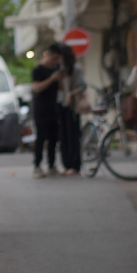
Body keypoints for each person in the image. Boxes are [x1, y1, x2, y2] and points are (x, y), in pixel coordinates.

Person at [29, 46, 65, 178]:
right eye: (54, 58)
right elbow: (37, 88)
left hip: (54, 107)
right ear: (47, 55)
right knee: (41, 138)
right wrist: (51, 79)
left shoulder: (56, 69)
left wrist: (60, 78)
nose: (55, 61)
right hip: (41, 109)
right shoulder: (38, 70)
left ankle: (52, 165)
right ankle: (37, 165)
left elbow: (61, 88)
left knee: (54, 138)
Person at [54, 43, 85, 175]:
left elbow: (83, 85)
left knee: (73, 135)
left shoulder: (74, 68)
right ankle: (66, 165)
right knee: (63, 135)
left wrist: (71, 94)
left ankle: (75, 165)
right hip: (59, 104)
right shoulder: (57, 69)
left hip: (72, 106)